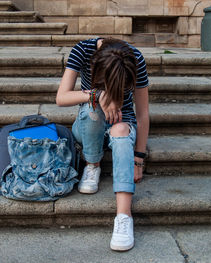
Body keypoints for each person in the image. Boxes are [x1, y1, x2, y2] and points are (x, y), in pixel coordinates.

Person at [56, 37, 149, 251]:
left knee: (121, 129)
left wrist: (138, 158)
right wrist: (98, 95)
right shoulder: (82, 50)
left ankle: (124, 218)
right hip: (89, 125)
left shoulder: (135, 59)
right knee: (91, 110)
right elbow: (61, 97)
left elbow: (143, 114)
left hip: (122, 124)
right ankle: (92, 164)